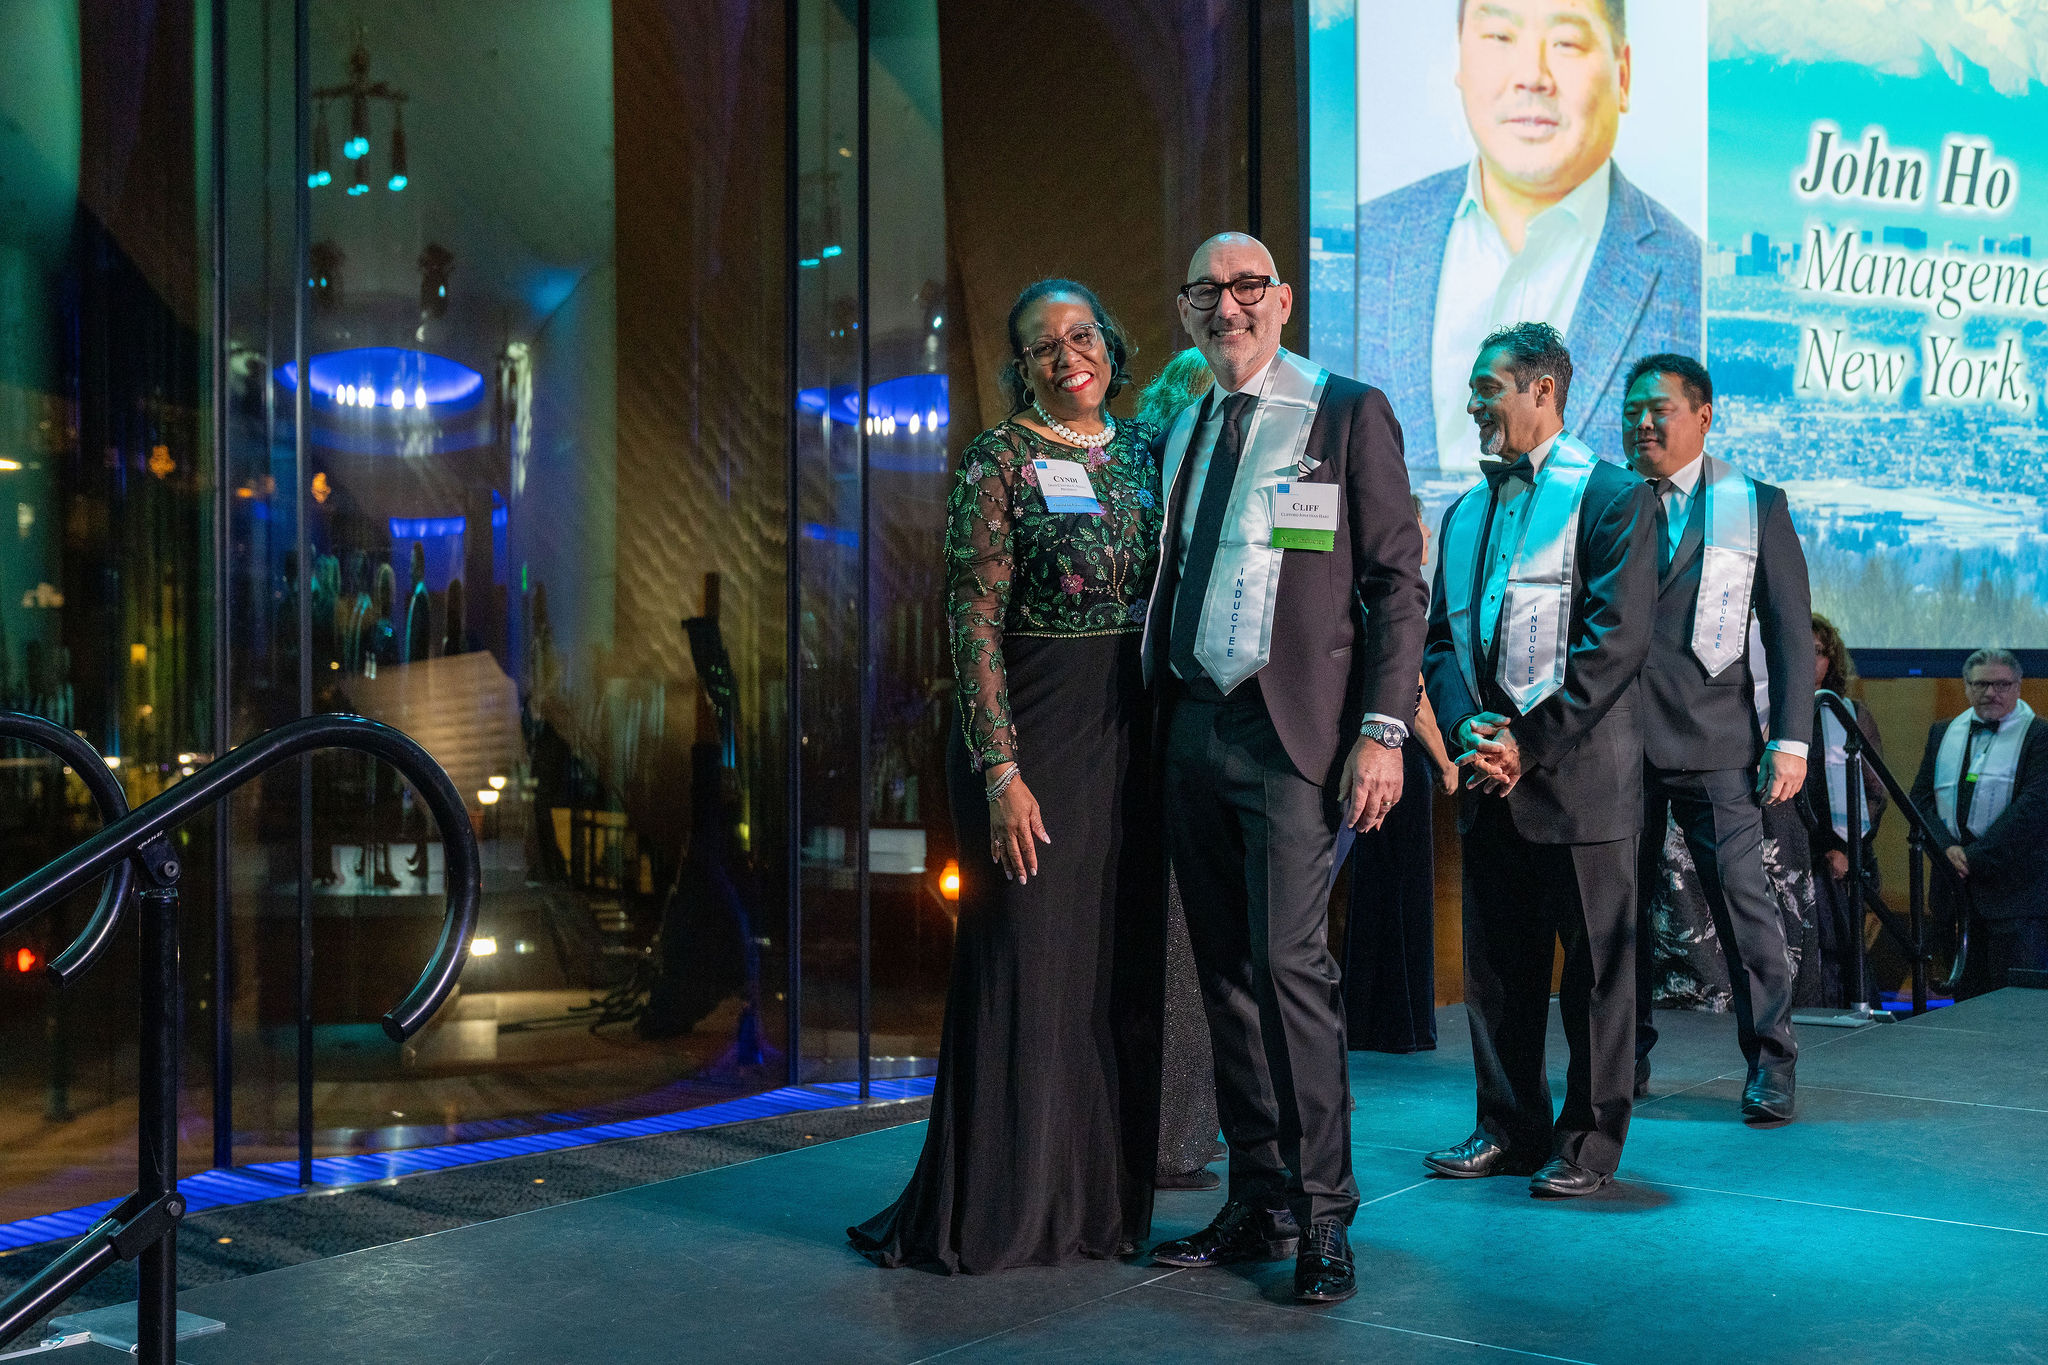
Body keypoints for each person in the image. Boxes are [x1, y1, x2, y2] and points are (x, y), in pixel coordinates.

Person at [849, 278, 1164, 1273]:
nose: (1067, 356)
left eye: (1081, 335)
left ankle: (1093, 1208)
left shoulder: (1148, 453)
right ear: (1020, 366)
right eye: (1042, 345)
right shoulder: (997, 460)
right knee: (1024, 964)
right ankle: (1000, 1209)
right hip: (1030, 739)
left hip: (1129, 741)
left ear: (1110, 344)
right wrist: (1000, 770)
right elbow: (971, 621)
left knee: (1109, 975)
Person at [1145, 233, 1426, 1304]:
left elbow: (1397, 585)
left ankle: (1323, 1215)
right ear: (1185, 311)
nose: (1227, 307)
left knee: (1288, 968)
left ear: (1284, 299)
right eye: (1206, 292)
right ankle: (1258, 1196)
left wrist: (1383, 731)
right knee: (1222, 972)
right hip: (1191, 723)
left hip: (1291, 733)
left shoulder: (1344, 411)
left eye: (1247, 287)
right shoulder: (1184, 426)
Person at [1420, 321, 1656, 1198]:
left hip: (1581, 780)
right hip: (1489, 778)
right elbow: (1439, 641)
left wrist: (1529, 740)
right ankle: (1509, 1127)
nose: (1473, 406)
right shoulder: (1464, 510)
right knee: (1497, 975)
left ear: (1543, 390)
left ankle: (1588, 1142)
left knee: (1595, 977)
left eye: (1487, 388)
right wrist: (1467, 728)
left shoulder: (1613, 496)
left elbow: (1615, 642)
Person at [1355, 0, 1701, 476]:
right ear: (1460, 58)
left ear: (1622, 74)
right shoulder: (1373, 237)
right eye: (1500, 36)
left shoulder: (1687, 269)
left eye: (1566, 42)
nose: (1532, 76)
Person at [1619, 354, 1812, 1123]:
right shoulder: (1605, 499)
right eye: (1632, 409)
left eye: (1660, 408)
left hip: (1716, 743)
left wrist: (1791, 738)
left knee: (1742, 906)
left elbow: (1790, 632)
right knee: (1616, 912)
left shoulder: (1755, 504)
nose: (1642, 422)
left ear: (1703, 416)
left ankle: (1772, 1062)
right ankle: (1620, 1057)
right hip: (1616, 742)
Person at [1135, 347, 1226, 1192]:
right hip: (1180, 725)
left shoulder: (1138, 466)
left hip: (1143, 727)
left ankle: (1176, 1125)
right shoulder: (1167, 475)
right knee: (1186, 944)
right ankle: (1179, 1131)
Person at [1343, 494, 1461, 1054]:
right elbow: (1413, 695)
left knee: (1377, 892)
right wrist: (1445, 763)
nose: (1424, 536)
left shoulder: (1361, 593)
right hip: (1397, 760)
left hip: (1369, 752)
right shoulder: (1392, 600)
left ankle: (1375, 1018)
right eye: (1417, 526)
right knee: (1397, 890)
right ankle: (1399, 1022)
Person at [1909, 648, 2048, 997]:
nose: (1991, 693)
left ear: (2018, 687)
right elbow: (1921, 799)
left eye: (2002, 684)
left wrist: (1973, 857)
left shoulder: (2040, 735)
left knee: (2014, 1003)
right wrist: (1946, 848)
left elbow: (2034, 809)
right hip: (1954, 892)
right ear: (1966, 686)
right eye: (1981, 684)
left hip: (2015, 897)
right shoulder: (1943, 732)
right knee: (1964, 1004)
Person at [1802, 614, 1885, 1008]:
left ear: (1831, 661)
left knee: (1839, 957)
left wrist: (1846, 848)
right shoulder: (1766, 710)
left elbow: (1874, 793)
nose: (1809, 659)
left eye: (1819, 652)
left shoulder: (1849, 713)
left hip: (1840, 859)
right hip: (1788, 854)